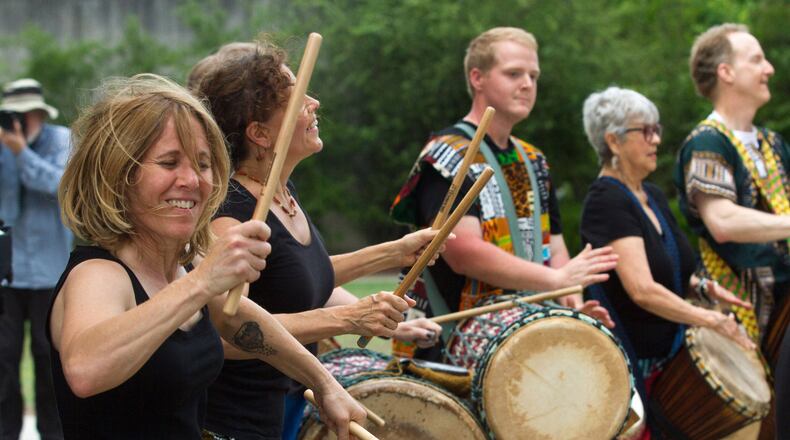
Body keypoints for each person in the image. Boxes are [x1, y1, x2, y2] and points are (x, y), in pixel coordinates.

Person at [49, 73, 366, 439]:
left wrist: (324, 383)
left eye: (202, 164)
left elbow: (240, 322)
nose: (193, 180)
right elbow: (85, 370)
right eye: (169, 163)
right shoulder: (100, 273)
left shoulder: (182, 268)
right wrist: (202, 282)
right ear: (120, 175)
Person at [191, 40, 442, 440]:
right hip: (234, 420)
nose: (315, 102)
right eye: (298, 97)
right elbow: (226, 333)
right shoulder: (232, 213)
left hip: (284, 404)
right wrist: (349, 318)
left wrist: (395, 252)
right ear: (259, 133)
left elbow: (302, 279)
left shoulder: (280, 194)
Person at [390, 27, 617, 360]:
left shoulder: (534, 160)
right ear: (477, 78)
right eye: (513, 73)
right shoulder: (447, 154)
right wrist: (554, 279)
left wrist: (571, 300)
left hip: (521, 334)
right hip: (449, 344)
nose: (527, 84)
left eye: (533, 75)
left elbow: (553, 245)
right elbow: (463, 251)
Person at [580, 86, 754, 435]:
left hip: (670, 358)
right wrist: (712, 321)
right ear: (613, 141)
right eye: (645, 130)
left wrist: (703, 287)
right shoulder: (607, 201)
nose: (656, 139)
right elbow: (642, 289)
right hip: (637, 367)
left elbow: (666, 266)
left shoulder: (651, 194)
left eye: (656, 129)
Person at [674, 22, 789, 435]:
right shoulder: (708, 143)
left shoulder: (773, 145)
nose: (769, 68)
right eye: (756, 59)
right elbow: (722, 222)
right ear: (725, 72)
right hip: (742, 312)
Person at [0, 78, 70, 440]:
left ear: (42, 114)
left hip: (50, 270)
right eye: (16, 115)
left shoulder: (61, 140)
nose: (22, 122)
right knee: (3, 359)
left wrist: (20, 153)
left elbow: (63, 186)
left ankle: (54, 435)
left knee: (48, 359)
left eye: (30, 114)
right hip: (5, 274)